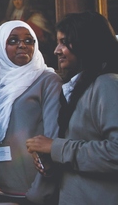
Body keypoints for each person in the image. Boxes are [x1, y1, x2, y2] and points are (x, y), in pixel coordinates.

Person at [26, 11, 118, 205]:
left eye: (64, 42)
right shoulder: (81, 87)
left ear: (87, 43)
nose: (56, 50)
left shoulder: (107, 84)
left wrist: (55, 147)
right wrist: (53, 161)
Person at [0, 21, 61, 205]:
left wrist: (38, 192)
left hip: (34, 192)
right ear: (0, 47)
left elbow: (54, 137)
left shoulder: (47, 80)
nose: (22, 45)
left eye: (29, 40)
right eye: (13, 40)